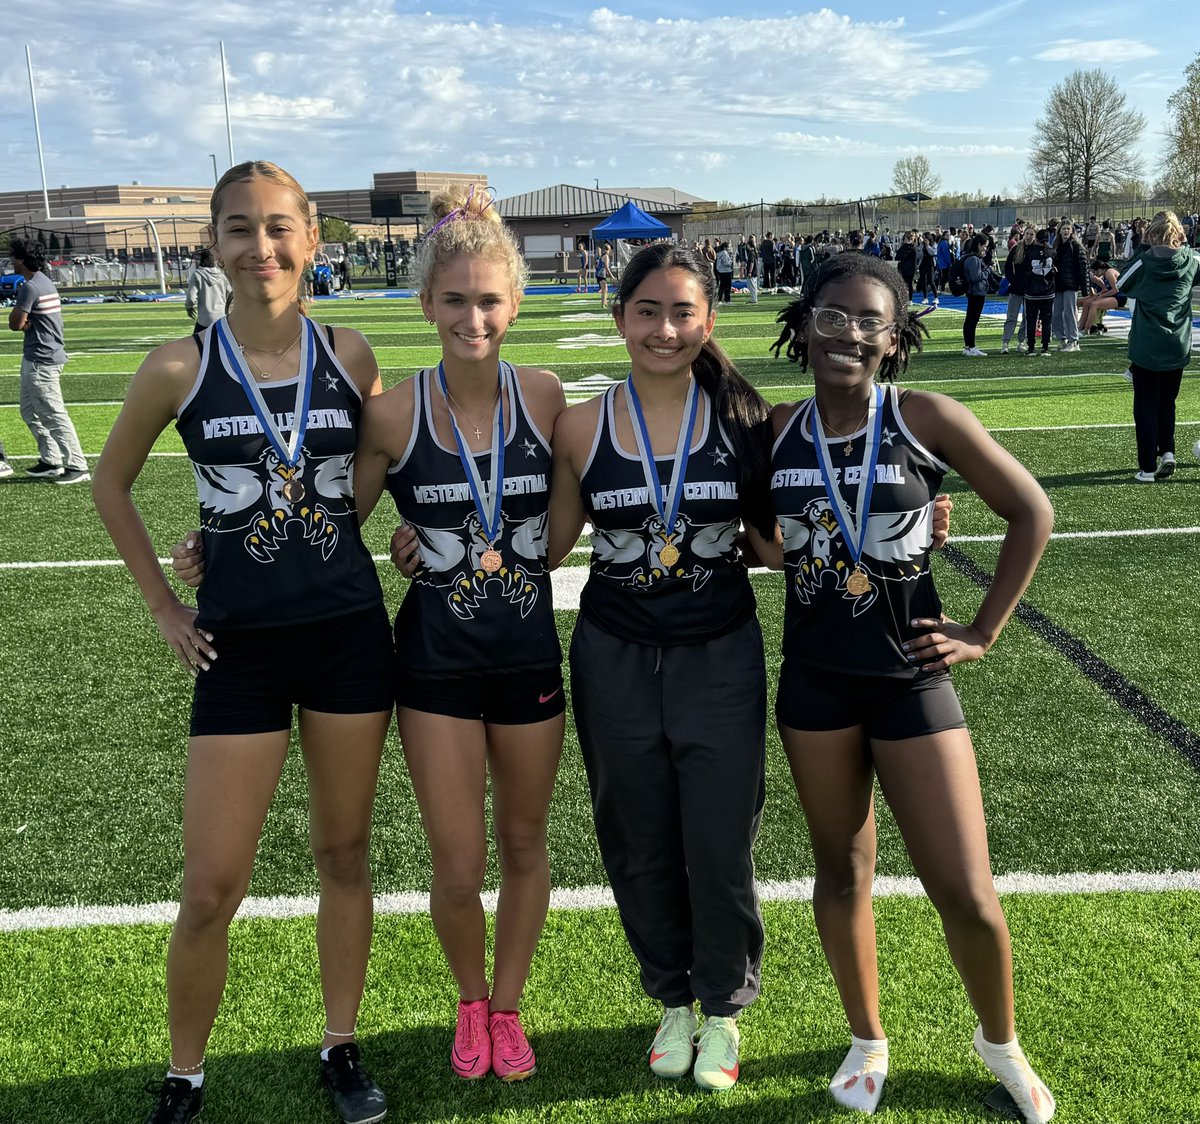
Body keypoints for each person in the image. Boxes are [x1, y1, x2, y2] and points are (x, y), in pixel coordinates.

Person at [93, 161, 393, 1124]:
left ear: (310, 239)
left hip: (348, 636)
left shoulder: (351, 354)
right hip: (239, 653)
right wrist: (165, 605)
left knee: (344, 854)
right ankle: (185, 1073)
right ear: (212, 244)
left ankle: (340, 1045)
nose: (258, 249)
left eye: (276, 229)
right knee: (212, 883)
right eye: (237, 230)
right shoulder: (180, 365)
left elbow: (361, 478)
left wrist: (238, 527)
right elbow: (111, 484)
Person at [762, 252, 1057, 1123]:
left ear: (894, 340)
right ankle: (867, 1038)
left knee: (965, 887)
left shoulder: (926, 417)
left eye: (868, 321)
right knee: (842, 869)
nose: (847, 333)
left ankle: (1000, 1043)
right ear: (804, 323)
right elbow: (748, 531)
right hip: (814, 686)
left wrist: (983, 630)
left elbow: (1031, 511)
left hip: (910, 680)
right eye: (831, 315)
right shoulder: (776, 429)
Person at [547, 243, 777, 1092]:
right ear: (620, 317)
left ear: (708, 320)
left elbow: (773, 548)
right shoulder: (581, 424)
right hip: (613, 656)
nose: (665, 329)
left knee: (719, 840)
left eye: (683, 312)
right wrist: (428, 538)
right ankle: (672, 998)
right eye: (647, 310)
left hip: (719, 653)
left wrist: (905, 531)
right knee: (636, 837)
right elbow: (552, 545)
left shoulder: (745, 421)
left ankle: (721, 1009)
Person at [366, 185, 567, 1082]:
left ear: (514, 303)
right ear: (426, 305)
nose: (473, 316)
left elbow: (581, 514)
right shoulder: (394, 413)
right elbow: (330, 525)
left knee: (526, 846)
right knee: (458, 861)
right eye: (455, 299)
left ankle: (512, 1004)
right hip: (437, 666)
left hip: (528, 653)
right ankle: (470, 1001)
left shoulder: (549, 396)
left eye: (489, 299)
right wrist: (214, 547)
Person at [1116, 210, 1200, 482]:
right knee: (1168, 402)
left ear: (1151, 233)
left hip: (1148, 344)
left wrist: (1143, 246)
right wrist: (1183, 246)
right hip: (1178, 344)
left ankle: (1147, 469)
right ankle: (1168, 452)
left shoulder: (1145, 261)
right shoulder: (1190, 259)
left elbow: (1122, 283)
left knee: (1145, 406)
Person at [7, 237, 90, 484]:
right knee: (30, 410)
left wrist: (23, 322)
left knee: (53, 414)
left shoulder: (30, 287)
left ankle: (77, 465)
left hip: (41, 360)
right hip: (40, 356)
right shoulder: (42, 282)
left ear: (21, 259)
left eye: (12, 256)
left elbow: (15, 323)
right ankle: (51, 459)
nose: (10, 260)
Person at [1051, 221, 1087, 352]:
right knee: (1056, 314)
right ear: (1059, 231)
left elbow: (1083, 268)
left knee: (1069, 313)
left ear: (1072, 231)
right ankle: (1063, 338)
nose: (1066, 231)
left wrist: (1084, 288)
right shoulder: (1056, 246)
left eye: (1068, 229)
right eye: (1063, 229)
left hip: (1071, 284)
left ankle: (1074, 340)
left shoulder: (1076, 246)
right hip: (1058, 285)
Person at [1020, 229, 1056, 357]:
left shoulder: (1029, 252)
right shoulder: (1052, 252)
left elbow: (1024, 270)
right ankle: (1045, 347)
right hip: (1048, 292)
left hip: (1032, 292)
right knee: (1047, 321)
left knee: (1031, 320)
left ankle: (1031, 348)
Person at [184, 247, 232, 335]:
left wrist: (189, 307)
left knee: (197, 344)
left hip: (204, 319)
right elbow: (230, 294)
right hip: (221, 317)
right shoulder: (222, 275)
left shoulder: (197, 274)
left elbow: (191, 297)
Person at [1000, 228, 1032, 353]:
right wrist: (1013, 281)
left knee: (1027, 317)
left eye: (1031, 234)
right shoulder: (1016, 248)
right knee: (1011, 316)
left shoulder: (1036, 250)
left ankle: (1021, 341)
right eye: (1027, 234)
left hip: (1030, 290)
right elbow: (1008, 268)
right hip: (1016, 288)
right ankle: (1005, 342)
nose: (1029, 237)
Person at [960, 234, 991, 357]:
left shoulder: (972, 258)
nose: (985, 249)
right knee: (972, 320)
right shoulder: (973, 259)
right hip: (975, 293)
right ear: (978, 245)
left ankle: (969, 346)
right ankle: (970, 346)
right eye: (984, 246)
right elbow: (976, 277)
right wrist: (988, 271)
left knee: (971, 320)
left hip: (975, 292)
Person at [1077, 259, 1123, 335]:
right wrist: (1101, 294)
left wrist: (1102, 295)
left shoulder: (1109, 272)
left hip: (1119, 297)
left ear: (1099, 270)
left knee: (1094, 304)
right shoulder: (1104, 275)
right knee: (1088, 302)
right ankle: (1081, 327)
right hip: (1113, 296)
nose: (1093, 274)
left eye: (1094, 272)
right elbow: (1106, 289)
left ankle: (1086, 330)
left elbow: (1116, 290)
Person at [596, 241, 611, 308]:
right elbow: (606, 267)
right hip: (601, 274)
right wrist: (612, 276)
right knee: (604, 290)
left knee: (606, 289)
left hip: (600, 274)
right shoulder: (606, 256)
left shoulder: (603, 255)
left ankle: (605, 302)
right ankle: (603, 304)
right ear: (609, 249)